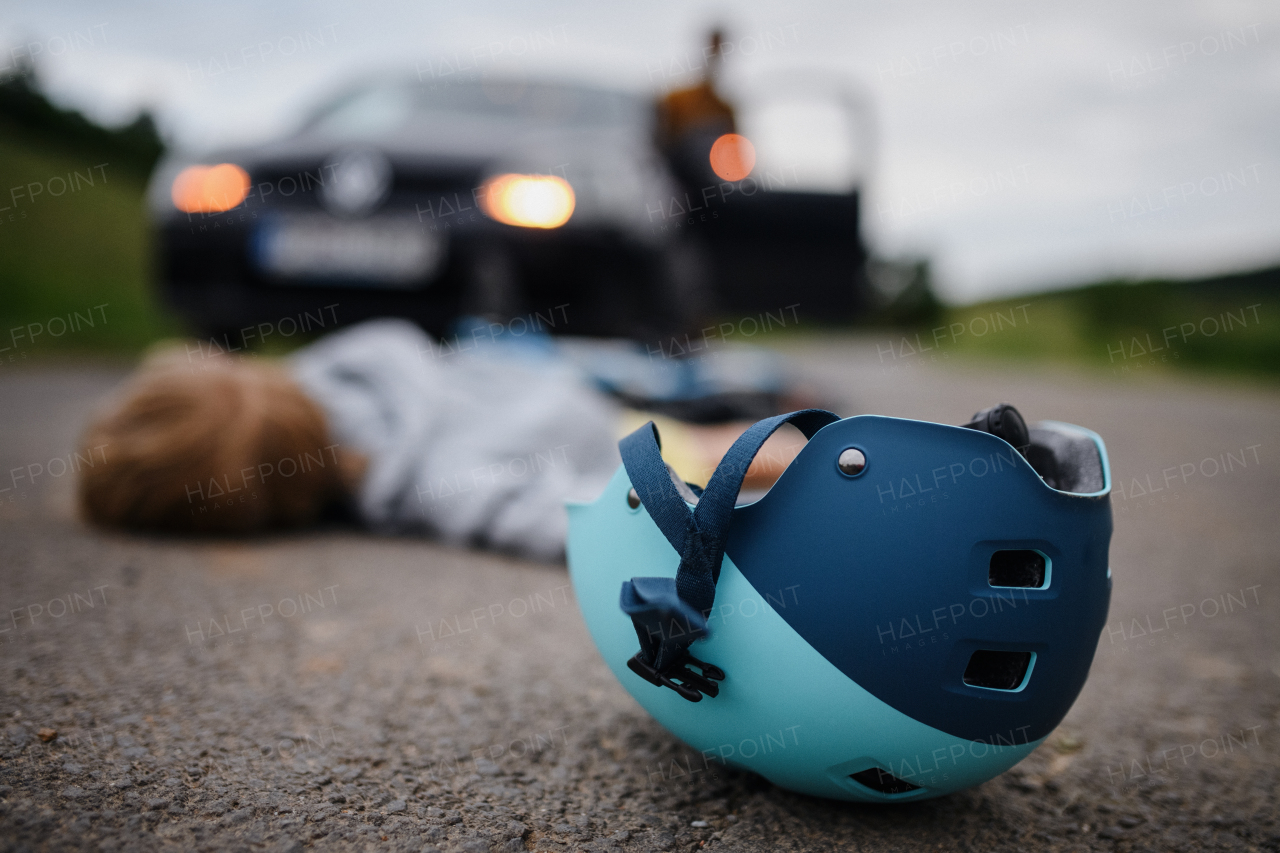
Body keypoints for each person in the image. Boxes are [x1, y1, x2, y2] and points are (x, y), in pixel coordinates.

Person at [77, 319, 810, 561]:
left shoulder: (428, 478)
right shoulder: (334, 364)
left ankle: (767, 417)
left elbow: (589, 513)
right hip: (552, 379)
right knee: (692, 397)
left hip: (602, 432)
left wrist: (694, 522)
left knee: (711, 440)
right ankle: (763, 393)